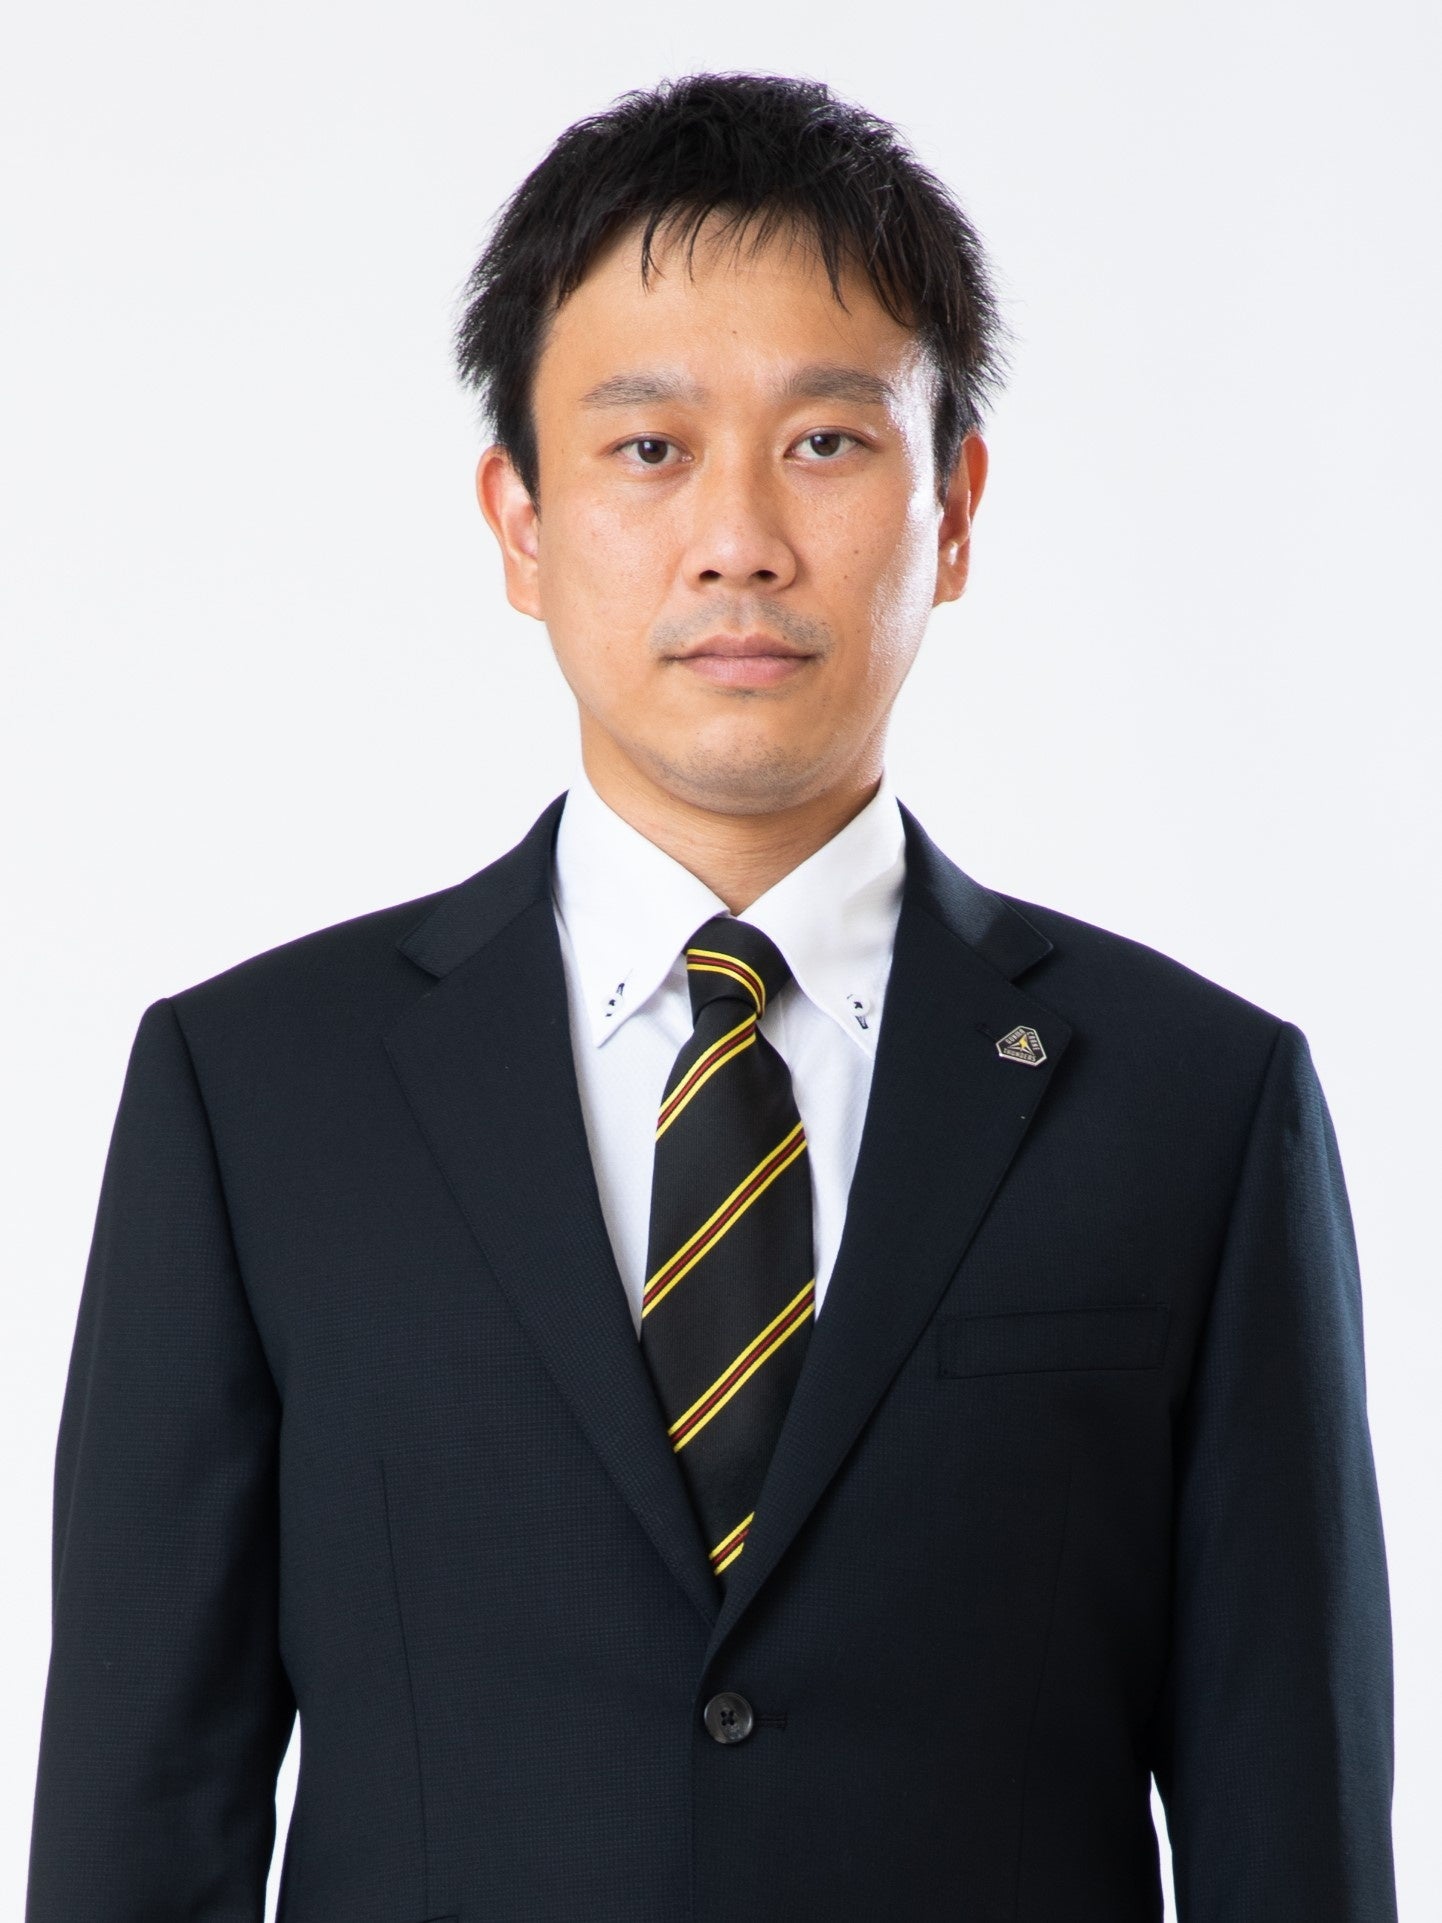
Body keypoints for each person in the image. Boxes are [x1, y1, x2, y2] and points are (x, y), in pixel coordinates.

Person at [25, 71, 1396, 1923]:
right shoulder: (258, 1095)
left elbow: (1289, 1840)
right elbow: (136, 1819)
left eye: (826, 442)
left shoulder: (1193, 1107)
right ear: (520, 523)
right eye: (649, 448)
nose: (737, 537)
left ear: (953, 509)